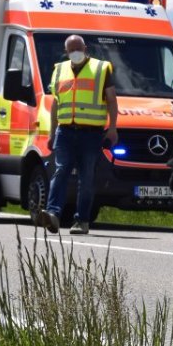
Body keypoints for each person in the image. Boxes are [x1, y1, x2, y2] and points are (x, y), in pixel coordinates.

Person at [39, 34, 119, 236]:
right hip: (65, 131)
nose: (76, 52)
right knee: (61, 171)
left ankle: (82, 220)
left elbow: (111, 99)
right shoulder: (59, 70)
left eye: (79, 47)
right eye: (71, 49)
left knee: (86, 178)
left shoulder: (101, 69)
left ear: (85, 48)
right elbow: (56, 103)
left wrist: (112, 128)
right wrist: (51, 132)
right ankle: (53, 214)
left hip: (91, 134)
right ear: (66, 52)